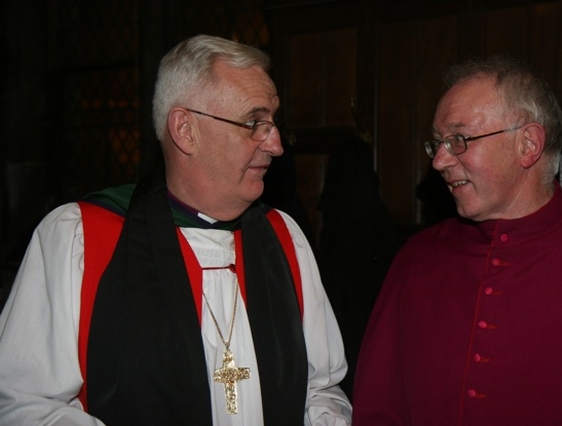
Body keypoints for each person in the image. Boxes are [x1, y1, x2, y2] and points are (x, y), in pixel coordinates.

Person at [0, 35, 352, 426]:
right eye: (254, 123)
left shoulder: (285, 239)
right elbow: (22, 404)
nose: (276, 144)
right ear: (185, 129)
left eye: (273, 123)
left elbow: (321, 390)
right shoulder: (81, 238)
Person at [352, 55, 562, 425]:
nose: (439, 161)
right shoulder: (416, 258)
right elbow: (378, 405)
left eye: (459, 139)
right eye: (437, 143)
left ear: (528, 144)